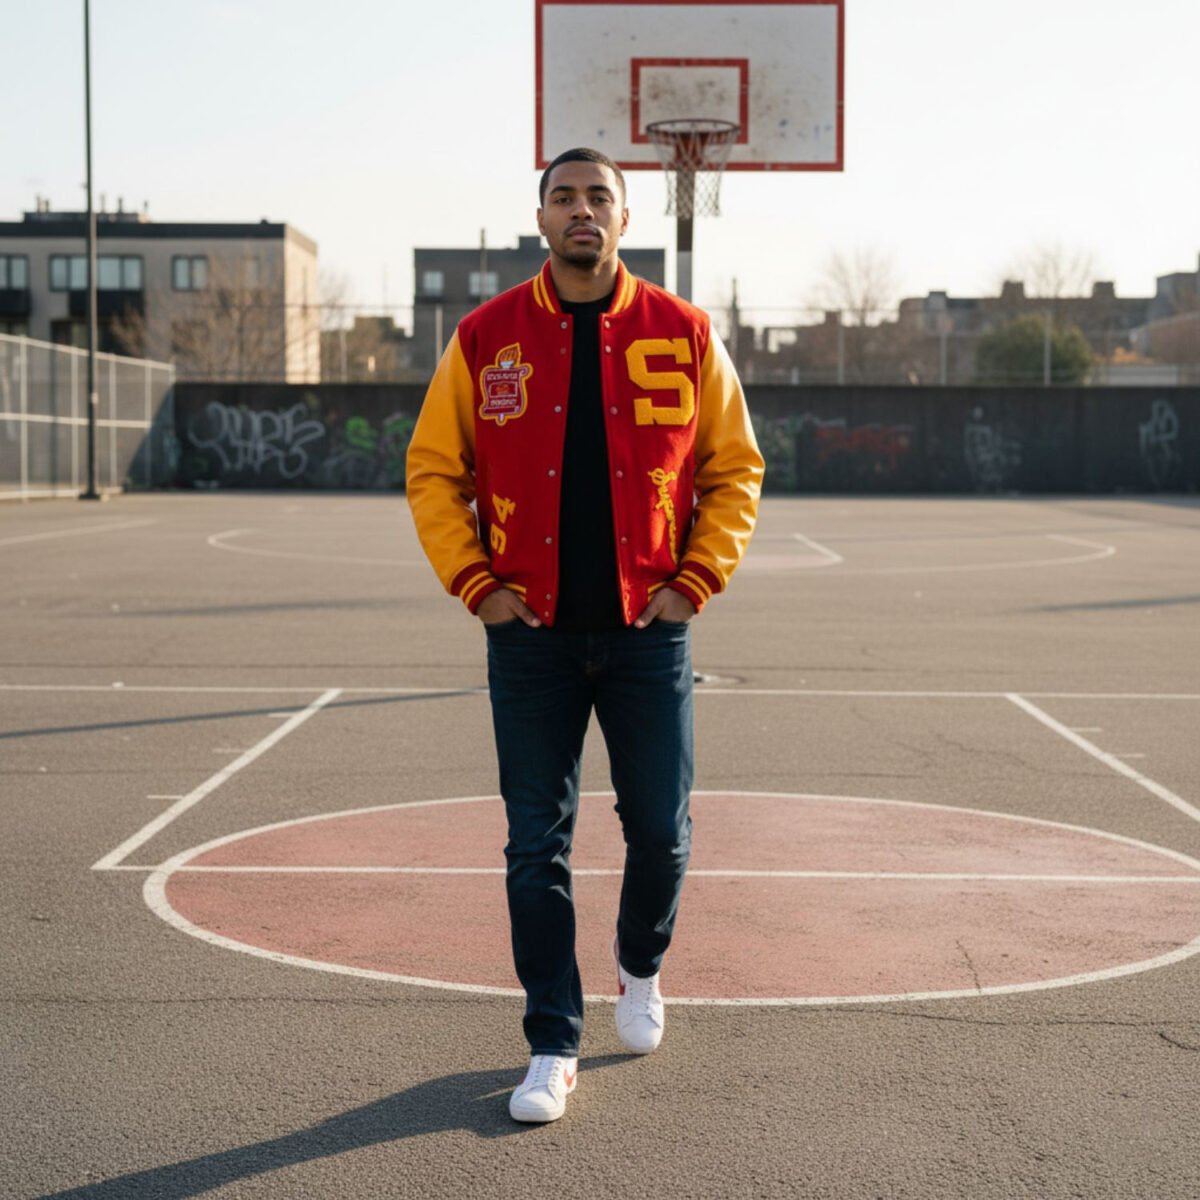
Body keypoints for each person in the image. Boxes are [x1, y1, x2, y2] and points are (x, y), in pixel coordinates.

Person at [406, 147, 763, 1123]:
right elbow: (434, 470)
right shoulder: (486, 337)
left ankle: (640, 969)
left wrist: (695, 583)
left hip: (651, 633)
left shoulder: (684, 332)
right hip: (531, 640)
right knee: (535, 845)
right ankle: (551, 1043)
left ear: (623, 215)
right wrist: (476, 584)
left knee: (661, 830)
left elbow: (736, 469)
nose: (581, 212)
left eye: (597, 196)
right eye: (563, 197)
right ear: (541, 218)